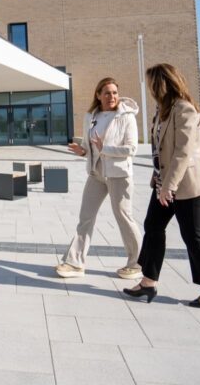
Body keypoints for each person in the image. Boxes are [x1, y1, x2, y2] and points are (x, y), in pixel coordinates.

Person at [123, 63, 200, 307]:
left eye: (151, 83)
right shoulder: (163, 109)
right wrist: (161, 181)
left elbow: (183, 151)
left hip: (186, 183)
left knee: (192, 235)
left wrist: (169, 185)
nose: (149, 87)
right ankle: (148, 282)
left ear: (162, 84)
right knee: (153, 226)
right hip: (164, 182)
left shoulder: (184, 109)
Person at [56, 77, 142, 280]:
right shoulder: (91, 116)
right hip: (96, 173)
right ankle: (75, 263)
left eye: (115, 92)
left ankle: (138, 263)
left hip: (119, 175)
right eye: (107, 93)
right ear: (98, 95)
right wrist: (83, 151)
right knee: (85, 217)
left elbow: (131, 149)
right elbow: (90, 147)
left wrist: (106, 148)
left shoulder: (126, 117)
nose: (112, 96)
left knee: (124, 217)